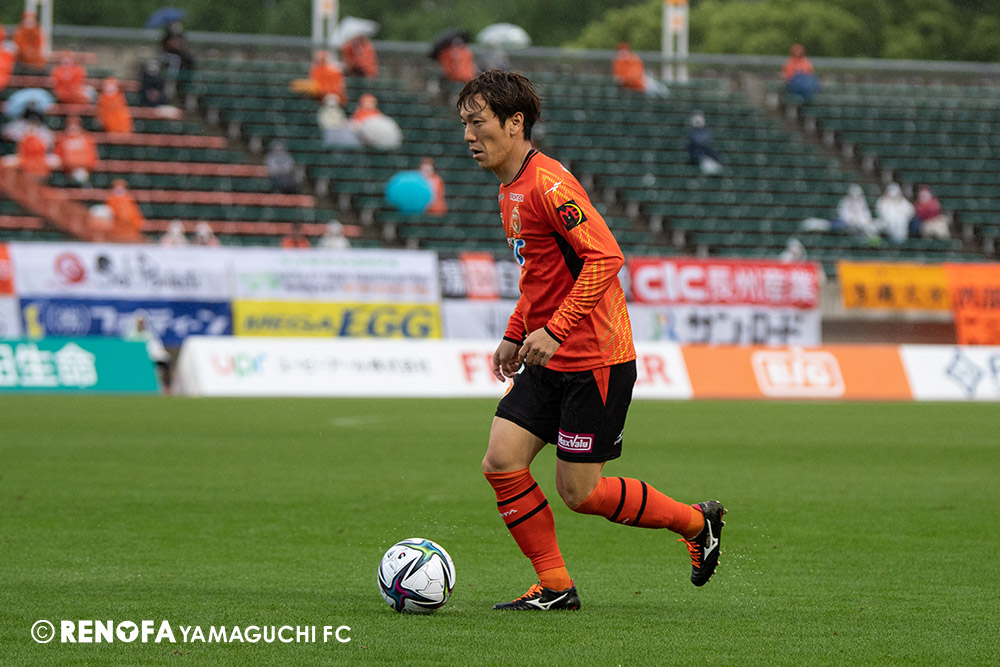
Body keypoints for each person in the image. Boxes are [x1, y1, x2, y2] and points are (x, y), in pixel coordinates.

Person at [456, 70, 726, 611]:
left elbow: (606, 257)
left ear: (514, 123)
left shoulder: (549, 184)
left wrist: (555, 331)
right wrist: (515, 332)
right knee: (501, 461)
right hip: (547, 357)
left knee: (580, 493)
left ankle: (697, 524)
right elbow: (540, 275)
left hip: (595, 359)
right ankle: (555, 587)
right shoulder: (509, 188)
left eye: (478, 123)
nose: (468, 136)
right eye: (464, 124)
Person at [54, 115, 98, 186]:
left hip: (83, 170)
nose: (73, 127)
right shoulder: (62, 138)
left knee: (81, 175)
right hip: (65, 172)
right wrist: (67, 165)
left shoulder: (87, 139)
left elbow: (92, 160)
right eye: (70, 124)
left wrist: (81, 165)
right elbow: (57, 156)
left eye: (75, 124)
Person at [687, 110, 724, 175]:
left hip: (705, 152)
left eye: (700, 117)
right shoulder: (690, 132)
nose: (698, 120)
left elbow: (706, 141)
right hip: (697, 153)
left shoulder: (707, 130)